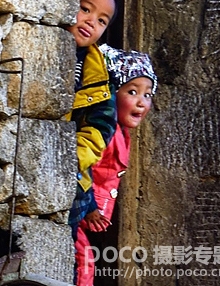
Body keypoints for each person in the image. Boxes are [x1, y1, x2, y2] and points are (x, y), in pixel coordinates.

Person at [74, 47, 157, 286]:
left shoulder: (122, 133)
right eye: (132, 92)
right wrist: (89, 205)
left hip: (86, 213)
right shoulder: (103, 132)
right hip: (78, 207)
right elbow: (83, 166)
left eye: (148, 95)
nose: (141, 103)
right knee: (84, 262)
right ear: (111, 94)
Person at [66, 0, 119, 280]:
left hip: (75, 178)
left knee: (67, 251)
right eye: (85, 9)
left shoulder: (98, 75)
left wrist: (73, 158)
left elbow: (101, 128)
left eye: (101, 20)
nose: (90, 22)